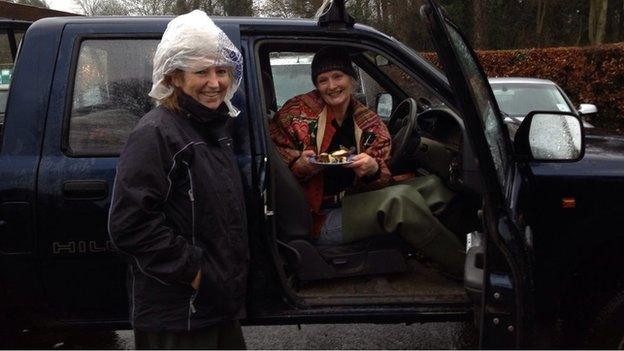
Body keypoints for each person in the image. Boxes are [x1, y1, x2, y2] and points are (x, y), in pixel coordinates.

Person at [108, 10, 248, 349]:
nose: (215, 82)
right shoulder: (157, 133)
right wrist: (195, 273)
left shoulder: (212, 127)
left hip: (212, 306)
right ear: (174, 77)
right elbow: (129, 225)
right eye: (201, 71)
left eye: (221, 70)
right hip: (178, 315)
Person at [269, 46, 465, 277]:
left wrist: (372, 170)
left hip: (354, 198)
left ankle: (466, 244)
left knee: (434, 187)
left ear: (351, 79)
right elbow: (269, 150)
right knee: (398, 201)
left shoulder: (368, 121)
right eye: (323, 80)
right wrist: (296, 164)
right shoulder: (295, 111)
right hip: (315, 216)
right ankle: (462, 267)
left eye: (337, 76)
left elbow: (380, 179)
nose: (331, 86)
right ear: (316, 84)